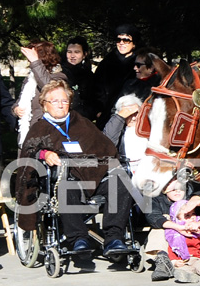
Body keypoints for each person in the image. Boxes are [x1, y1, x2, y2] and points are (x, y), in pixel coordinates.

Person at [16, 80, 134, 256]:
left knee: (121, 184)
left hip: (94, 176)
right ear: (45, 105)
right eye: (54, 101)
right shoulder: (39, 128)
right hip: (63, 180)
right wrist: (44, 154)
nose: (60, 105)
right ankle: (78, 238)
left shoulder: (81, 122)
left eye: (64, 101)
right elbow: (29, 153)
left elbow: (104, 147)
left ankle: (114, 238)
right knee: (66, 187)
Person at [145, 179, 200, 282]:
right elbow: (153, 218)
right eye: (173, 190)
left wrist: (198, 223)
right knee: (158, 228)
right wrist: (179, 227)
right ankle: (163, 262)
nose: (178, 192)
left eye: (180, 189)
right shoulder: (156, 199)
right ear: (165, 190)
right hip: (172, 241)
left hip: (195, 239)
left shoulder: (192, 200)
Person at [13, 41, 65, 147]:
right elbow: (18, 102)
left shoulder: (59, 76)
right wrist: (16, 110)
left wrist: (35, 62)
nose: (29, 60)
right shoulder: (31, 78)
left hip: (46, 135)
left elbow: (48, 88)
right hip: (26, 134)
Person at [94, 24, 140, 127]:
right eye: (118, 40)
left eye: (126, 40)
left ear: (134, 44)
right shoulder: (107, 62)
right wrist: (98, 110)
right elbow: (95, 87)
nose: (121, 43)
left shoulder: (140, 64)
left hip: (132, 116)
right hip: (107, 115)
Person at [59, 36, 97, 121]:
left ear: (84, 54)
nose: (72, 56)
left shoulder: (89, 75)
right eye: (69, 52)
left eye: (77, 52)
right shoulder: (60, 73)